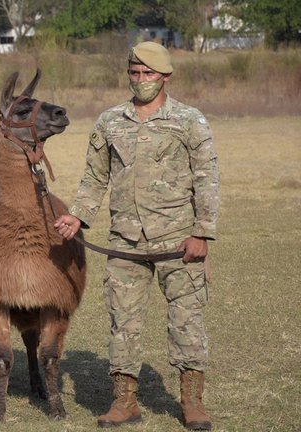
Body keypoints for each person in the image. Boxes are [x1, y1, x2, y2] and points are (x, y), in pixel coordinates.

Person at [54, 41, 219, 430]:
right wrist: (77, 215)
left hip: (179, 242)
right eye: (134, 73)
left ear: (165, 76)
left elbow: (207, 178)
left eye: (148, 74)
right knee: (122, 323)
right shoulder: (110, 121)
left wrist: (202, 234)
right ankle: (124, 402)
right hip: (125, 243)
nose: (141, 80)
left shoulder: (190, 120)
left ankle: (192, 402)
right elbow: (96, 176)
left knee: (187, 323)